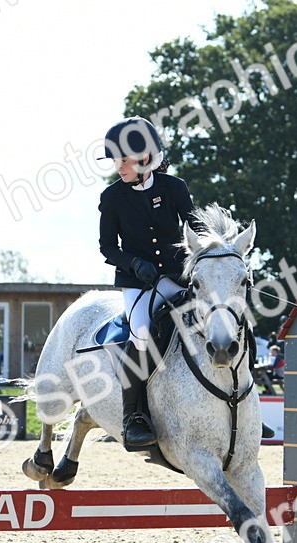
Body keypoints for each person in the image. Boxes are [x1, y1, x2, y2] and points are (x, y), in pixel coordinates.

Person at [98, 116, 199, 451]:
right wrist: (133, 262)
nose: (118, 167)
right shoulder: (112, 197)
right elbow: (107, 247)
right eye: (116, 160)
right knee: (141, 333)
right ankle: (133, 419)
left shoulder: (175, 188)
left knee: (219, 317)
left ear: (145, 158)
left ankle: (240, 405)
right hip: (139, 284)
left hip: (176, 278)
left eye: (123, 160)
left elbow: (197, 227)